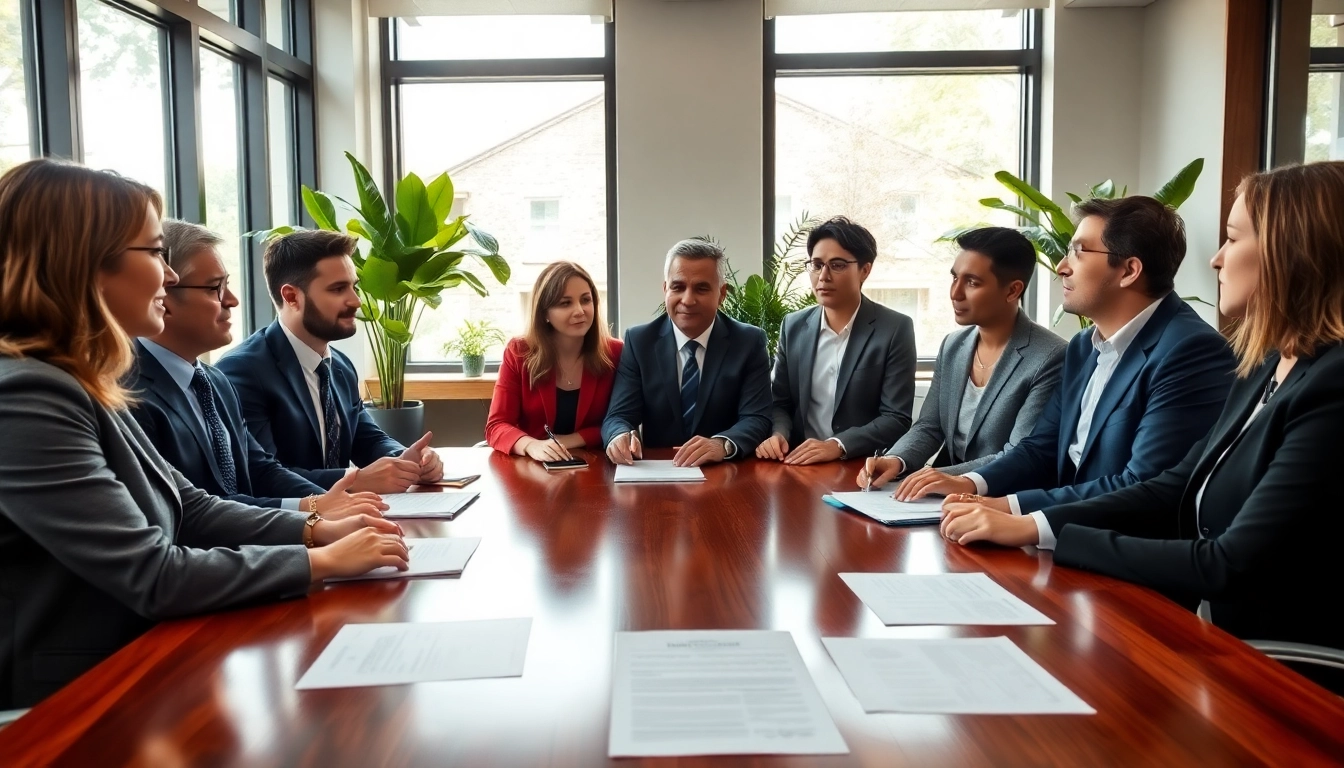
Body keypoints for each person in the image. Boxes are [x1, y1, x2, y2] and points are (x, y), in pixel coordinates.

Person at [0, 159, 407, 709]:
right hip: (67, 701)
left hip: (140, 663)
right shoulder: (28, 396)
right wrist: (321, 560)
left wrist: (314, 530)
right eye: (153, 253)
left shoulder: (79, 378)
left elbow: (190, 507)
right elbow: (153, 572)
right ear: (86, 264)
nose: (168, 276)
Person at [941, 161, 1344, 655]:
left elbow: (1227, 561)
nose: (1217, 260)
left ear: (1294, 253)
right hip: (1216, 631)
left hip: (1276, 661)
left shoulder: (1328, 382)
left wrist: (1041, 529)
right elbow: (1175, 481)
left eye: (1234, 240)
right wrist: (1022, 518)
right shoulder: (1264, 363)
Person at [890, 196, 1236, 513]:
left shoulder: (1191, 351)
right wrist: (969, 483)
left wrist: (1010, 512)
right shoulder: (1084, 347)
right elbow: (1040, 447)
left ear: (1129, 271)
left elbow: (1141, 486)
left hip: (1116, 551)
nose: (1061, 266)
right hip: (1060, 533)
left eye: (1079, 252)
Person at [129, 219, 387, 518]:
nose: (232, 300)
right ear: (162, 295)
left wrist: (323, 504)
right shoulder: (128, 393)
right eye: (215, 288)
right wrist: (313, 518)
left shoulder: (212, 380)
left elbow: (260, 469)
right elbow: (193, 514)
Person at [217, 230, 444, 493]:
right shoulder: (242, 371)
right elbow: (261, 476)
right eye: (338, 289)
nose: (356, 300)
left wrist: (409, 460)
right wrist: (353, 481)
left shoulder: (340, 367)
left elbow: (367, 440)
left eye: (354, 286)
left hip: (348, 520)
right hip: (292, 527)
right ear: (291, 297)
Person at [856, 227, 1067, 488]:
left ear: (1013, 291)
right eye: (954, 278)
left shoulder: (1050, 356)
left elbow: (1019, 454)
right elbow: (929, 427)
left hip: (1006, 500)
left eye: (972, 282)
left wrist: (949, 477)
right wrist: (896, 460)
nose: (955, 293)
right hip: (946, 501)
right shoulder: (953, 346)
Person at [758, 216, 916, 465]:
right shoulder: (794, 325)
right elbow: (780, 402)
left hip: (862, 466)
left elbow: (896, 417)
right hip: (797, 463)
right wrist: (779, 434)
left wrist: (838, 446)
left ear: (864, 270)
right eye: (817, 264)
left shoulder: (895, 328)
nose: (823, 276)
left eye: (838, 265)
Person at [601, 238, 772, 467]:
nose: (688, 300)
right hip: (657, 472)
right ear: (665, 290)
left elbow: (757, 417)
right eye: (678, 287)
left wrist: (722, 444)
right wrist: (618, 435)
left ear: (722, 294)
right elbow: (618, 416)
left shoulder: (749, 342)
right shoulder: (640, 341)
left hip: (724, 474)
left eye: (701, 288)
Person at [484, 261, 623, 461]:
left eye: (586, 300)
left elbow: (620, 421)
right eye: (565, 303)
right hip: (532, 469)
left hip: (596, 467)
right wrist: (530, 445)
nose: (580, 311)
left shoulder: (616, 353)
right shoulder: (519, 352)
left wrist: (568, 441)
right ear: (544, 314)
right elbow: (496, 425)